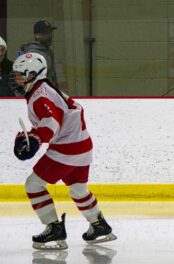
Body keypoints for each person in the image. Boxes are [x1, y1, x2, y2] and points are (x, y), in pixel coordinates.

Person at [11, 52, 116, 250]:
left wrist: (36, 139)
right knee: (78, 189)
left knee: (33, 185)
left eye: (20, 74)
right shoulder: (44, 88)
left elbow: (52, 122)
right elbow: (60, 117)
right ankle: (99, 225)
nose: (16, 78)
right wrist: (34, 135)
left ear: (33, 74)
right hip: (82, 145)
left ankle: (54, 228)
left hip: (66, 150)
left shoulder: (40, 96)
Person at [22, 20, 68, 92]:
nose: (49, 36)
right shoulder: (33, 54)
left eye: (50, 33)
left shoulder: (48, 52)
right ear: (37, 35)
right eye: (45, 33)